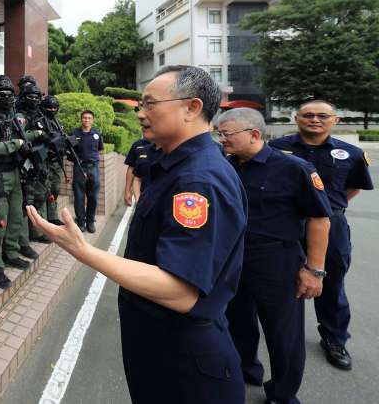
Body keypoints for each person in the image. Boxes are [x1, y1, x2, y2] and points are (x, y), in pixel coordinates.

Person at [28, 65, 247, 404]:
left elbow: (180, 291)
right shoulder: (172, 164)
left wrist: (83, 250)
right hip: (160, 345)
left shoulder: (198, 181)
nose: (141, 113)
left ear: (191, 108)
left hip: (183, 361)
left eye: (149, 104)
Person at [219, 108, 331, 404]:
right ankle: (246, 373)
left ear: (254, 134)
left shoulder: (294, 168)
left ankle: (282, 392)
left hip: (277, 260)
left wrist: (314, 269)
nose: (222, 140)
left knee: (283, 333)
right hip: (234, 259)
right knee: (237, 321)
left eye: (227, 134)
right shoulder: (225, 166)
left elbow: (320, 219)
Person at [270, 100, 373, 371]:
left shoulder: (350, 153)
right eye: (308, 115)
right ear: (297, 118)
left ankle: (335, 339)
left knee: (331, 281)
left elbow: (352, 188)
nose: (315, 119)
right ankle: (280, 339)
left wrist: (327, 210)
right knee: (279, 280)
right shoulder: (276, 149)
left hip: (332, 225)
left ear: (335, 120)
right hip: (287, 223)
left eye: (322, 115)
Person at [0, 76, 42, 288]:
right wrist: (16, 144)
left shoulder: (16, 118)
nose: (6, 98)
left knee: (16, 216)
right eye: (1, 95)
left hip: (15, 173)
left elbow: (25, 139)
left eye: (9, 94)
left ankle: (12, 253)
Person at [17, 83, 52, 249]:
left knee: (41, 196)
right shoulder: (20, 115)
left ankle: (39, 231)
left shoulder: (40, 113)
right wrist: (37, 133)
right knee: (28, 201)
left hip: (41, 160)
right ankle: (25, 240)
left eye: (37, 97)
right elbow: (21, 136)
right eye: (31, 97)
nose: (34, 100)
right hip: (27, 163)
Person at [70, 110, 104, 233]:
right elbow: (70, 151)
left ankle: (90, 221)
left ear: (92, 120)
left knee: (93, 196)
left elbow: (99, 148)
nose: (87, 120)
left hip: (93, 167)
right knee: (79, 196)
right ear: (81, 119)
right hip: (80, 167)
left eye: (89, 118)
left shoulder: (97, 133)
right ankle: (81, 221)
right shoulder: (74, 133)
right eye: (84, 118)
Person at [40, 95, 67, 229]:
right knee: (45, 190)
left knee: (55, 188)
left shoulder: (58, 123)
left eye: (54, 108)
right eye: (49, 107)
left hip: (57, 161)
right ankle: (44, 220)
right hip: (45, 160)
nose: (52, 110)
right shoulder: (40, 121)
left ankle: (53, 215)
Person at [123, 137, 155, 206]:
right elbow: (132, 168)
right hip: (142, 195)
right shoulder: (137, 145)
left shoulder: (167, 145)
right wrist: (127, 190)